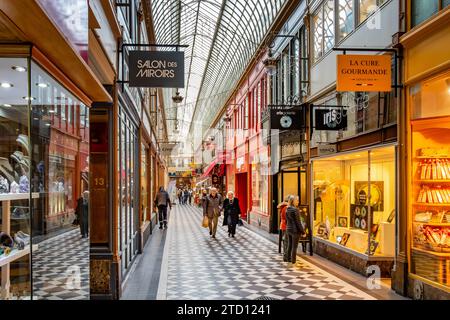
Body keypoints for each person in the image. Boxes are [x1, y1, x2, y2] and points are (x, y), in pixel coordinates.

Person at [285, 195, 305, 267]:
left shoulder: (287, 209)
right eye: (297, 200)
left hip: (289, 229)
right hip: (295, 231)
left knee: (289, 245)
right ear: (293, 201)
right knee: (294, 247)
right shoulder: (295, 210)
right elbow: (298, 222)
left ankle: (289, 261)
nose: (298, 202)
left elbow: (287, 220)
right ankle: (293, 262)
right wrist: (303, 232)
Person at [277, 197, 289, 261]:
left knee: (285, 241)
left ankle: (286, 255)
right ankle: (286, 256)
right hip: (286, 226)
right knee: (286, 241)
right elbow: (286, 218)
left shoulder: (283, 207)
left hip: (283, 226)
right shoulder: (286, 208)